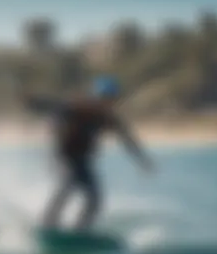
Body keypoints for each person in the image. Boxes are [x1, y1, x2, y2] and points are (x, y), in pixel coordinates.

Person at [23, 75, 154, 229]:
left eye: (111, 99)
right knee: (68, 183)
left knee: (95, 197)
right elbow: (51, 105)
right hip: (61, 156)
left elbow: (128, 140)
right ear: (96, 97)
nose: (107, 103)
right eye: (104, 98)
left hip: (82, 160)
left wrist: (142, 160)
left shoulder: (108, 118)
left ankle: (81, 230)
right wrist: (31, 102)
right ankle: (48, 224)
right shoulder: (77, 107)